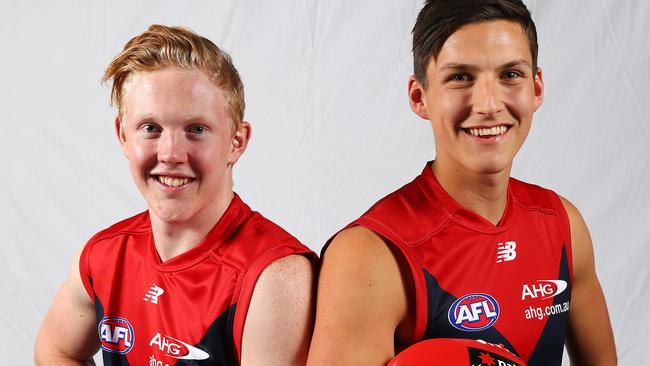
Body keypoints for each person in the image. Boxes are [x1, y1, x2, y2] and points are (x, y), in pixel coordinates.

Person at [307, 1, 616, 365]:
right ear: (419, 97)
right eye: (460, 77)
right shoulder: (371, 256)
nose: (488, 104)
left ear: (536, 89)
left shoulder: (563, 224)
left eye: (510, 75)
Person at [35, 24, 315, 366]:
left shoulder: (274, 278)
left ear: (236, 142)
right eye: (150, 128)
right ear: (123, 135)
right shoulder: (103, 255)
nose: (170, 153)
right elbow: (55, 350)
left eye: (196, 130)